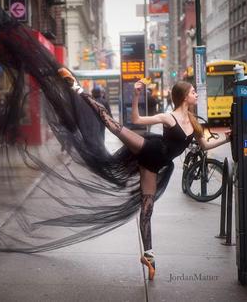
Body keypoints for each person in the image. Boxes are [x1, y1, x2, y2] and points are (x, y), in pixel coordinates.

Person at [58, 68, 231, 280]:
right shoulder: (168, 117)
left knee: (147, 209)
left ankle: (148, 256)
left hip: (155, 166)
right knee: (111, 125)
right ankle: (76, 87)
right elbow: (137, 120)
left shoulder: (195, 122)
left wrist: (228, 139)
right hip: (149, 149)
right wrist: (137, 95)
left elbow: (204, 145)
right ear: (184, 96)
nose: (196, 94)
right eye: (193, 91)